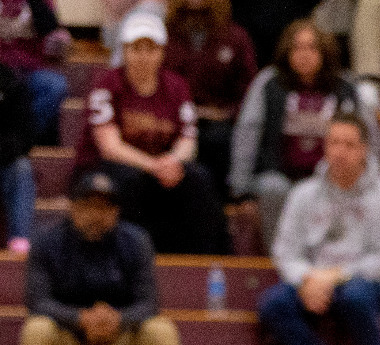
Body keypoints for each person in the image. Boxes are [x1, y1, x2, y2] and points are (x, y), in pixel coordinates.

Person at [19, 171, 181, 345]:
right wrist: (79, 318)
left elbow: (149, 303)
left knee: (162, 331)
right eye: (89, 206)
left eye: (105, 208)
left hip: (120, 342)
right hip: (68, 342)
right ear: (73, 208)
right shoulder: (46, 242)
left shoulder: (136, 241)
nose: (97, 215)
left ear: (116, 212)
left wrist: (118, 319)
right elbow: (37, 302)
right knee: (36, 330)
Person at [258, 114, 380, 345]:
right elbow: (285, 251)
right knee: (273, 305)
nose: (340, 152)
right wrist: (308, 278)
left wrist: (336, 276)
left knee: (355, 297)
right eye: (334, 143)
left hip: (366, 283)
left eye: (349, 145)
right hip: (312, 281)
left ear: (364, 150)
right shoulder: (303, 194)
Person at [80, 11, 230, 257]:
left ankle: (205, 262)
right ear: (125, 51)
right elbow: (110, 146)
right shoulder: (107, 84)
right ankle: (127, 257)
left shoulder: (177, 86)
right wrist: (153, 165)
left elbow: (188, 140)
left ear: (162, 52)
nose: (143, 56)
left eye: (150, 49)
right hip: (117, 166)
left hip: (161, 167)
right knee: (128, 180)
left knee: (199, 178)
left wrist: (172, 161)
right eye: (136, 48)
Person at [229, 19, 377, 253]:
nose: (304, 55)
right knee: (273, 187)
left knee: (338, 189)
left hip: (331, 177)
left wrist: (373, 181)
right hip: (279, 175)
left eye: (311, 48)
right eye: (297, 48)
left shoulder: (346, 88)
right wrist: (241, 191)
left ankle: (330, 259)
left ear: (324, 52)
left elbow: (368, 138)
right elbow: (247, 133)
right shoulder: (269, 83)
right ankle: (283, 259)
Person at [162, 0, 255, 196]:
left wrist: (226, 113)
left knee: (218, 140)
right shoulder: (165, 35)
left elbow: (248, 92)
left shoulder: (235, 37)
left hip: (218, 121)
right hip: (172, 120)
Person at [0, 0, 69, 145]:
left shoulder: (41, 2)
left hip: (28, 70)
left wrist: (60, 41)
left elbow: (56, 33)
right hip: (2, 71)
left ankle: (22, 139)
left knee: (55, 86)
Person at [0, 55, 35, 252]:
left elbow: (24, 135)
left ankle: (19, 241)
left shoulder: (9, 81)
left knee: (21, 167)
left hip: (4, 158)